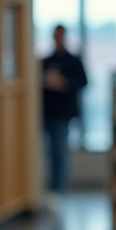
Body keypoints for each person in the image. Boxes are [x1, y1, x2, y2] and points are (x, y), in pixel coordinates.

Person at [42, 24, 87, 209]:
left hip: (63, 115)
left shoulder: (73, 61)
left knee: (60, 152)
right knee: (48, 152)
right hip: (46, 113)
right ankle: (49, 189)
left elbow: (83, 82)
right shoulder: (46, 61)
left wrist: (64, 83)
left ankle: (57, 191)